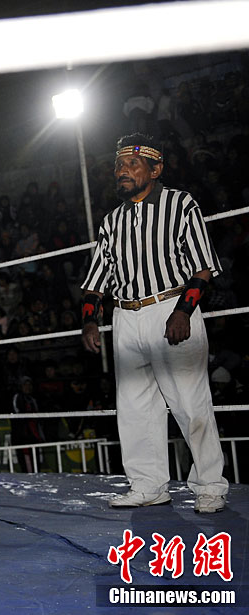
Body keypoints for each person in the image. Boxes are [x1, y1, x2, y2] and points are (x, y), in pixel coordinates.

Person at [80, 133, 228, 513]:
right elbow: (96, 281)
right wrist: (90, 321)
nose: (123, 171)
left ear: (156, 168)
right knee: (134, 407)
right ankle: (148, 485)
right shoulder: (112, 221)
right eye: (119, 165)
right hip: (126, 316)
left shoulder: (180, 204)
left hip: (170, 306)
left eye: (132, 164)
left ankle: (210, 486)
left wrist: (183, 311)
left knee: (190, 402)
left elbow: (202, 267)